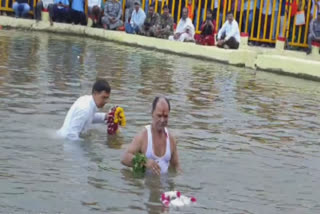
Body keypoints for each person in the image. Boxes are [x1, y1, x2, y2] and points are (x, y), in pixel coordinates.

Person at [121, 97, 181, 175]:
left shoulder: (171, 139)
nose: (162, 120)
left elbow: (176, 166)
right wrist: (144, 162)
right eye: (159, 116)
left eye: (165, 116)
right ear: (152, 113)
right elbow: (124, 158)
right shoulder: (142, 136)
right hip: (145, 185)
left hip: (164, 184)